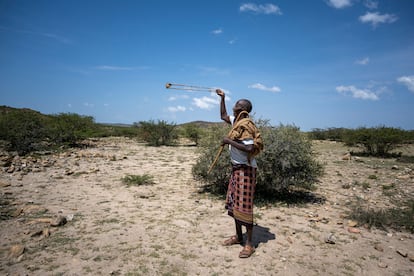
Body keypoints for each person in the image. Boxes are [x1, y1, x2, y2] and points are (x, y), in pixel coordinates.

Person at [216, 89, 258, 258]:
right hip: (236, 170)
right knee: (234, 205)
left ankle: (249, 244)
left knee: (245, 207)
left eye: (236, 105)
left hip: (246, 170)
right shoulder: (236, 122)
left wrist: (229, 141)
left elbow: (250, 148)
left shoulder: (246, 126)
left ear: (242, 110)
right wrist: (222, 98)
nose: (233, 107)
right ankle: (239, 237)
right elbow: (223, 115)